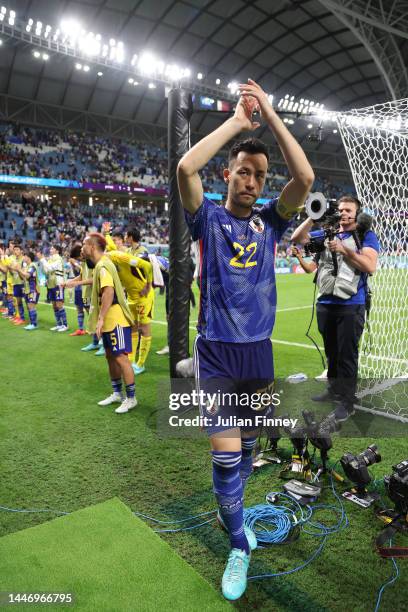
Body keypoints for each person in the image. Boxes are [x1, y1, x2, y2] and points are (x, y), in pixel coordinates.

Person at [177, 78, 314, 601]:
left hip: (258, 354)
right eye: (244, 172)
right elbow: (186, 169)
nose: (253, 181)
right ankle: (238, 544)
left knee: (250, 448)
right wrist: (238, 122)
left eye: (259, 174)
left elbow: (303, 176)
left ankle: (231, 511)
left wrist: (273, 116)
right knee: (227, 457)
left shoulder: (271, 225)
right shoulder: (207, 217)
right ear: (228, 175)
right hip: (215, 353)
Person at [291, 194, 379, 421]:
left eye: (349, 210)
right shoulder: (327, 231)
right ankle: (333, 389)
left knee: (347, 356)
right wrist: (313, 216)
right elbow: (297, 237)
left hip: (351, 305)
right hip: (325, 304)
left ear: (357, 214)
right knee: (332, 353)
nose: (344, 213)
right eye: (341, 209)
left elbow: (370, 265)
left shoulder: (365, 235)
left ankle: (347, 402)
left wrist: (345, 250)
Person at [82, 232, 137, 414]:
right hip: (109, 320)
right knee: (110, 356)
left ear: (92, 247)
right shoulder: (100, 264)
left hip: (115, 319)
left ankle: (131, 398)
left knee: (121, 357)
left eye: (84, 244)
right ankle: (117, 393)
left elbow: (108, 292)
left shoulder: (104, 264)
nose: (82, 248)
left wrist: (100, 319)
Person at [39, 245, 69, 332]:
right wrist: (44, 263)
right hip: (51, 284)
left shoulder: (59, 259)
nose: (50, 249)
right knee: (54, 306)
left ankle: (65, 325)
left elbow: (50, 267)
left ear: (57, 250)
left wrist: (43, 260)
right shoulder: (50, 259)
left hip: (58, 284)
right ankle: (59, 324)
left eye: (52, 248)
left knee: (59, 304)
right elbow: (46, 271)